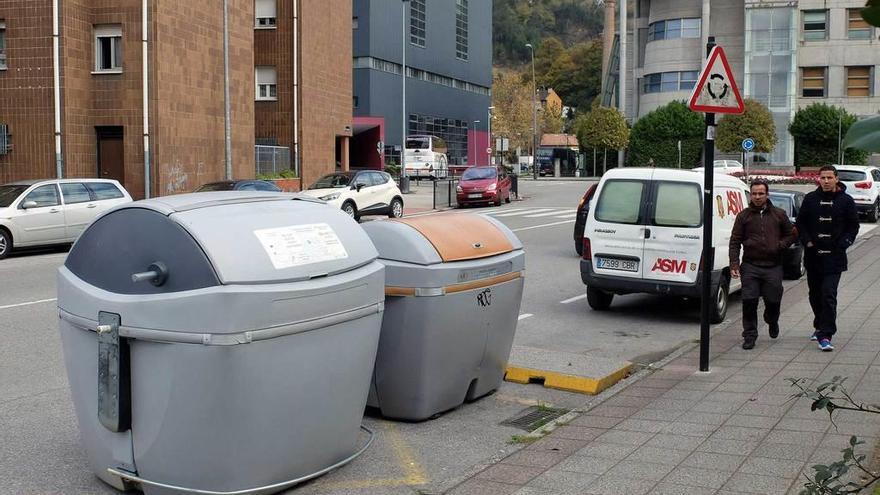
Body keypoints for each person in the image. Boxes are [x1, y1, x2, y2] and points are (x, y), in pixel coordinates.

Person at [796, 165, 860, 352]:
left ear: (836, 179)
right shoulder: (810, 199)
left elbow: (853, 226)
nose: (825, 181)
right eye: (823, 178)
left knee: (829, 294)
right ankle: (819, 324)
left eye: (829, 177)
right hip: (813, 256)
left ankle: (826, 334)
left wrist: (845, 242)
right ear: (819, 179)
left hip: (835, 257)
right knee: (815, 295)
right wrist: (807, 241)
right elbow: (801, 222)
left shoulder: (846, 201)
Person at [729, 179, 796, 350]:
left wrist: (779, 246)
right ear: (750, 195)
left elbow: (791, 234)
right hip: (751, 265)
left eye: (761, 193)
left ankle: (772, 320)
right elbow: (735, 241)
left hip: (773, 266)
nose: (757, 197)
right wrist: (734, 263)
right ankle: (750, 335)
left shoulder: (779, 214)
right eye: (754, 193)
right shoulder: (743, 216)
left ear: (767, 195)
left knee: (773, 300)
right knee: (749, 301)